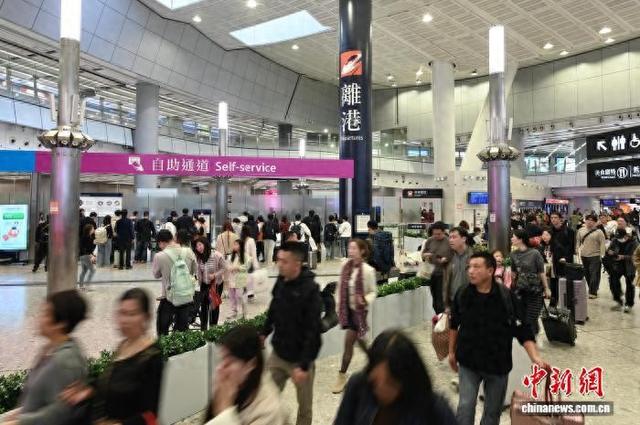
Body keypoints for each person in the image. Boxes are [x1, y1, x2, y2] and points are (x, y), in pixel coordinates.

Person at [449, 252, 549, 425]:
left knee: (492, 412)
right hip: (468, 361)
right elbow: (454, 324)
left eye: (476, 267)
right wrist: (451, 352)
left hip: (497, 364)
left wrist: (535, 357)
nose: (471, 271)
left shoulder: (506, 297)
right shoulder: (463, 294)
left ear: (490, 271)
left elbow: (523, 330)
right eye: (469, 267)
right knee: (465, 407)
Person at [60, 288, 164, 424]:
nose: (124, 320)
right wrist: (88, 390)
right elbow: (113, 381)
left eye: (132, 314)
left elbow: (151, 415)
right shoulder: (123, 345)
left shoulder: (152, 356)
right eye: (122, 313)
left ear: (146, 317)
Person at [335, 330, 457, 425]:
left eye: (389, 383)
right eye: (375, 382)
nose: (381, 389)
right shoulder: (359, 387)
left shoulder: (435, 409)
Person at [2, 290, 87, 425]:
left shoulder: (65, 362)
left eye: (45, 313)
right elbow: (34, 403)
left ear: (61, 323)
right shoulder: (50, 350)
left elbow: (58, 415)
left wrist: (17, 422)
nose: (39, 317)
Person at [261, 242, 323, 425]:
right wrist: (264, 332)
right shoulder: (281, 281)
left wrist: (303, 365)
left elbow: (314, 332)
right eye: (278, 260)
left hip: (300, 360)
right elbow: (274, 307)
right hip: (278, 355)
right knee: (266, 400)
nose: (279, 264)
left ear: (297, 264)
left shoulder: (311, 291)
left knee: (304, 408)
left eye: (284, 261)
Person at [204, 325, 286, 425]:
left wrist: (224, 411)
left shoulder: (269, 410)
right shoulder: (231, 386)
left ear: (251, 364)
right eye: (221, 359)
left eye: (230, 362)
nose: (220, 368)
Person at [332, 239, 377, 394]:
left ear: (362, 251)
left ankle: (341, 375)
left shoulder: (368, 271)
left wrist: (365, 300)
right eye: (349, 248)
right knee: (360, 340)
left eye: (354, 248)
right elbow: (339, 287)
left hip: (359, 312)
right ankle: (376, 361)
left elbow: (373, 292)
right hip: (347, 310)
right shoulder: (345, 266)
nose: (350, 251)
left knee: (348, 342)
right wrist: (338, 305)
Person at [152, 229, 197, 335]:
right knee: (182, 329)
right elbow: (194, 271)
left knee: (162, 328)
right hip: (186, 295)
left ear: (161, 242)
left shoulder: (159, 256)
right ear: (172, 238)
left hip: (169, 297)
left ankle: (164, 343)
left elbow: (156, 275)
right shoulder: (188, 251)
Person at [510, 229, 550, 334]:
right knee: (522, 316)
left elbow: (541, 272)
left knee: (531, 316)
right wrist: (511, 286)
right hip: (520, 290)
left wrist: (546, 288)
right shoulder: (513, 254)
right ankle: (531, 333)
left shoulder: (535, 253)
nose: (511, 239)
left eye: (513, 237)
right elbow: (514, 273)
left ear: (520, 239)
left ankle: (532, 334)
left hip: (534, 290)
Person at [194, 237, 227, 329]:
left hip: (216, 284)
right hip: (204, 284)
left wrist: (215, 275)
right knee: (204, 305)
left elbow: (224, 268)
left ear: (205, 244)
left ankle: (213, 327)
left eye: (200, 245)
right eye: (197, 246)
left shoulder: (217, 255)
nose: (198, 248)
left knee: (214, 305)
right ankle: (204, 328)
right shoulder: (199, 257)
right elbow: (199, 271)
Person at [422, 221, 454, 314]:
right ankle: (438, 315)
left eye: (439, 234)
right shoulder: (430, 241)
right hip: (431, 273)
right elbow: (423, 254)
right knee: (434, 298)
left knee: (441, 299)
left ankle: (442, 317)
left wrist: (446, 259)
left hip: (444, 273)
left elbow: (454, 256)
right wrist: (425, 255)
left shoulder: (449, 242)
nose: (436, 236)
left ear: (444, 232)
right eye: (434, 234)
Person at [607, 229, 638, 313]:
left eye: (620, 237)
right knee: (613, 281)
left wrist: (623, 257)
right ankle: (618, 301)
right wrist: (610, 252)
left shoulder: (634, 243)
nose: (619, 239)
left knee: (630, 285)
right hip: (617, 265)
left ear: (626, 236)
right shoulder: (615, 240)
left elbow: (635, 256)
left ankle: (629, 304)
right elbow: (610, 249)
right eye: (617, 237)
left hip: (629, 266)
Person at [576, 214, 606, 298]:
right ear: (585, 221)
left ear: (595, 222)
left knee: (594, 274)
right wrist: (577, 249)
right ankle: (592, 288)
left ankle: (593, 292)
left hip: (595, 255)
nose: (589, 222)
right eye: (588, 220)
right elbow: (578, 241)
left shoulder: (599, 232)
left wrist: (602, 255)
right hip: (584, 255)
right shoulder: (581, 230)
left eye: (592, 220)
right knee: (587, 273)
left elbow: (602, 244)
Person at [549, 212, 575, 306]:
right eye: (552, 217)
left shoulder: (569, 231)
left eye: (555, 217)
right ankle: (553, 304)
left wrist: (566, 258)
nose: (553, 219)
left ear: (561, 219)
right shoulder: (551, 230)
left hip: (565, 260)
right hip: (554, 259)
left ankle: (567, 305)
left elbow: (571, 247)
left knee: (565, 282)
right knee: (554, 281)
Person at [444, 227, 473, 310]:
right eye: (450, 237)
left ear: (463, 239)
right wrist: (446, 305)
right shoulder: (449, 257)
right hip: (454, 301)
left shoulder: (474, 256)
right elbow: (446, 282)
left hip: (471, 301)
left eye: (454, 237)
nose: (451, 240)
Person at [227, 239, 252, 319]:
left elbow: (247, 266)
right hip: (232, 278)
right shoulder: (231, 256)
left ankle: (245, 313)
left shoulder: (245, 256)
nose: (234, 246)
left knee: (241, 296)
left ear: (241, 246)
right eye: (234, 244)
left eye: (236, 244)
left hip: (241, 279)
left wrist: (238, 267)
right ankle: (233, 312)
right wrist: (230, 268)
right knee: (232, 297)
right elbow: (227, 265)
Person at [241, 225, 261, 300]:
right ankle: (250, 295)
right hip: (250, 262)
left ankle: (244, 292)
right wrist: (256, 264)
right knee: (250, 278)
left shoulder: (241, 240)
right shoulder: (251, 240)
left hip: (243, 261)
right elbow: (253, 253)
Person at [78, 224, 96, 291]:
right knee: (93, 270)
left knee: (84, 271)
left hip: (83, 255)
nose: (94, 229)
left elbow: (90, 248)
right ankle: (87, 285)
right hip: (85, 256)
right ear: (89, 230)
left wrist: (92, 253)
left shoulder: (89, 237)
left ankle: (81, 286)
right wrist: (89, 254)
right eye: (93, 228)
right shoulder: (86, 237)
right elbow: (83, 247)